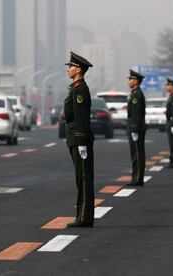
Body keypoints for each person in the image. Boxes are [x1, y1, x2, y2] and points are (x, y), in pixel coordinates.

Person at [64, 51, 95, 228]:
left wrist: (82, 140)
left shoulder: (80, 89)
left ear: (79, 69)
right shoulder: (75, 88)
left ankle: (84, 217)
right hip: (75, 138)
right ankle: (82, 215)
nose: (68, 69)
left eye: (71, 67)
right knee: (80, 177)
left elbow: (82, 117)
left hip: (79, 139)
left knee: (84, 177)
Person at [126, 70, 146, 186]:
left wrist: (134, 129)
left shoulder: (136, 95)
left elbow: (137, 113)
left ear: (136, 81)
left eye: (131, 79)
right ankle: (136, 177)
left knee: (137, 154)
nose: (129, 81)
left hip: (136, 128)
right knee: (135, 153)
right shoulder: (135, 93)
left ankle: (138, 178)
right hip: (134, 128)